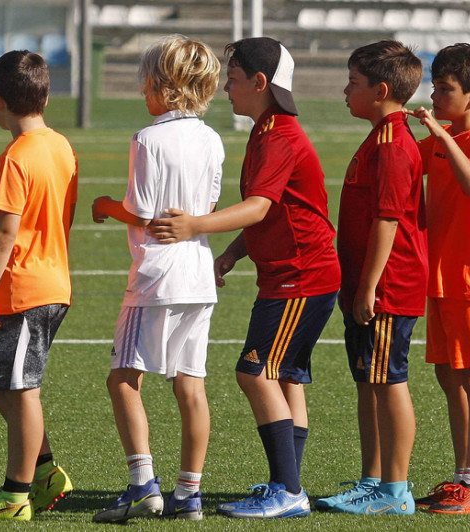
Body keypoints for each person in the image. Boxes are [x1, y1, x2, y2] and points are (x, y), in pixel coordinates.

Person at [149, 36, 341, 519]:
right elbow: (272, 212)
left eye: (233, 81)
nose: (226, 89)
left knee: (253, 371)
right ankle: (286, 483)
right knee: (285, 378)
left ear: (260, 83)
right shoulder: (266, 128)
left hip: (301, 277)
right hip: (293, 275)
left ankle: (289, 492)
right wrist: (234, 253)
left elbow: (258, 207)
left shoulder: (279, 134)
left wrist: (193, 226)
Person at [89, 35, 223, 524]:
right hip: (197, 273)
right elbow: (203, 208)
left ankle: (143, 482)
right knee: (191, 385)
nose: (142, 90)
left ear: (165, 88)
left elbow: (143, 213)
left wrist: (105, 206)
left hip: (154, 277)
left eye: (146, 81)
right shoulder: (212, 137)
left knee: (123, 377)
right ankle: (190, 494)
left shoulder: (148, 138)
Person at [0, 50, 78, 521]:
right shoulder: (62, 145)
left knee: (22, 389)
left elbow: (5, 232)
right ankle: (45, 469)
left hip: (26, 289)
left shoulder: (15, 157)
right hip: (49, 280)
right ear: (45, 95)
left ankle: (15, 495)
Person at [314, 40, 425, 516]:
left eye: (353, 84)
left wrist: (369, 285)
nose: (345, 91)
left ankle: (395, 490)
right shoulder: (379, 137)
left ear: (380, 90)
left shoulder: (393, 144)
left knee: (388, 380)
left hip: (388, 286)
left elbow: (388, 219)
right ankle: (373, 478)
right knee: (369, 381)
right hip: (369, 284)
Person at [405, 44, 470, 514]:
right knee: (450, 377)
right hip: (441, 276)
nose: (435, 95)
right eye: (435, 86)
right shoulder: (439, 138)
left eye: (445, 89)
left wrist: (437, 136)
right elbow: (406, 163)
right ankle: (462, 476)